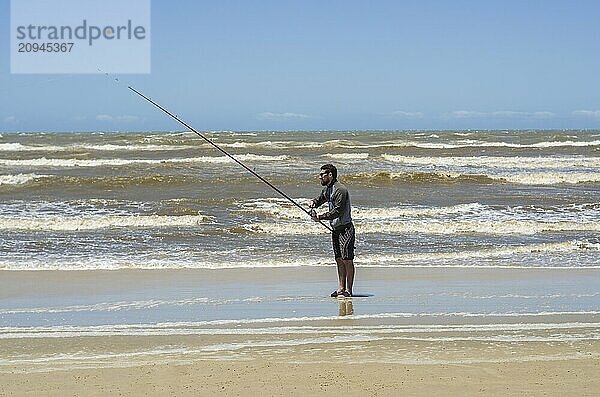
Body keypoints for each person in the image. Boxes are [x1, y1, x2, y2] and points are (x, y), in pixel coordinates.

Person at [309, 164, 356, 297]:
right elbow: (321, 199)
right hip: (335, 229)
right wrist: (314, 202)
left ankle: (349, 290)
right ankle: (341, 288)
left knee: (347, 259)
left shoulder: (340, 190)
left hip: (346, 229)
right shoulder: (328, 189)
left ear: (330, 175)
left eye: (322, 175)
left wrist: (321, 217)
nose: (320, 177)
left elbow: (337, 211)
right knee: (339, 259)